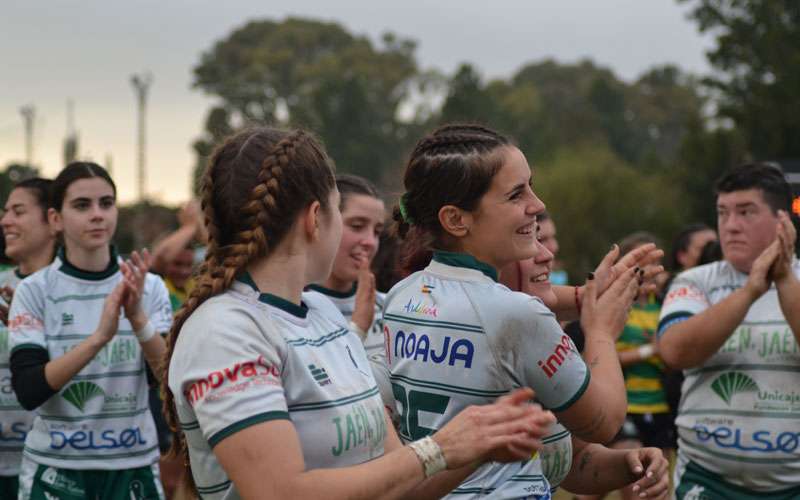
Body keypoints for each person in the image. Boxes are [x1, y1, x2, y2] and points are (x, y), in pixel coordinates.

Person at [162, 127, 555, 500]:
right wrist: (441, 446)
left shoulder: (324, 315)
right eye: (340, 210)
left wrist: (476, 443)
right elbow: (279, 492)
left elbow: (396, 482)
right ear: (315, 218)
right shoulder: (226, 329)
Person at [383, 123, 662, 498]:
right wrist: (601, 332)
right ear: (455, 219)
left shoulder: (403, 295)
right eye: (516, 194)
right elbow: (603, 422)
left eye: (530, 185)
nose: (538, 204)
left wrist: (587, 297)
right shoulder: (516, 314)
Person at [9, 162, 173, 499]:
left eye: (106, 203)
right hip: (56, 469)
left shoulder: (150, 287)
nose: (97, 215)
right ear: (56, 219)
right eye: (82, 205)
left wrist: (138, 319)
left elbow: (165, 378)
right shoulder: (36, 290)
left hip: (131, 465)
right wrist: (99, 338)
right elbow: (29, 390)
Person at [658, 162, 800, 499]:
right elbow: (675, 351)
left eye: (746, 212)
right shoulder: (695, 280)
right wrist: (750, 290)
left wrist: (782, 279)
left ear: (783, 220)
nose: (731, 226)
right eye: (723, 213)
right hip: (707, 480)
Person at [500, 227, 670, 499]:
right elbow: (602, 424)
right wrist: (601, 331)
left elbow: (575, 459)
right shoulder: (524, 324)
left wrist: (628, 462)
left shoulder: (519, 323)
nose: (548, 253)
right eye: (528, 238)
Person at [0, 178, 56, 498]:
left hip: (49, 463)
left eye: (18, 211)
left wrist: (31, 326)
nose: (5, 220)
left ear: (53, 221)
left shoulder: (73, 293)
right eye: (6, 211)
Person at [305, 174, 387, 355]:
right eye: (357, 226)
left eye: (377, 231)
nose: (370, 242)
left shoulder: (391, 307)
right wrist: (357, 328)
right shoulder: (294, 307)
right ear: (320, 222)